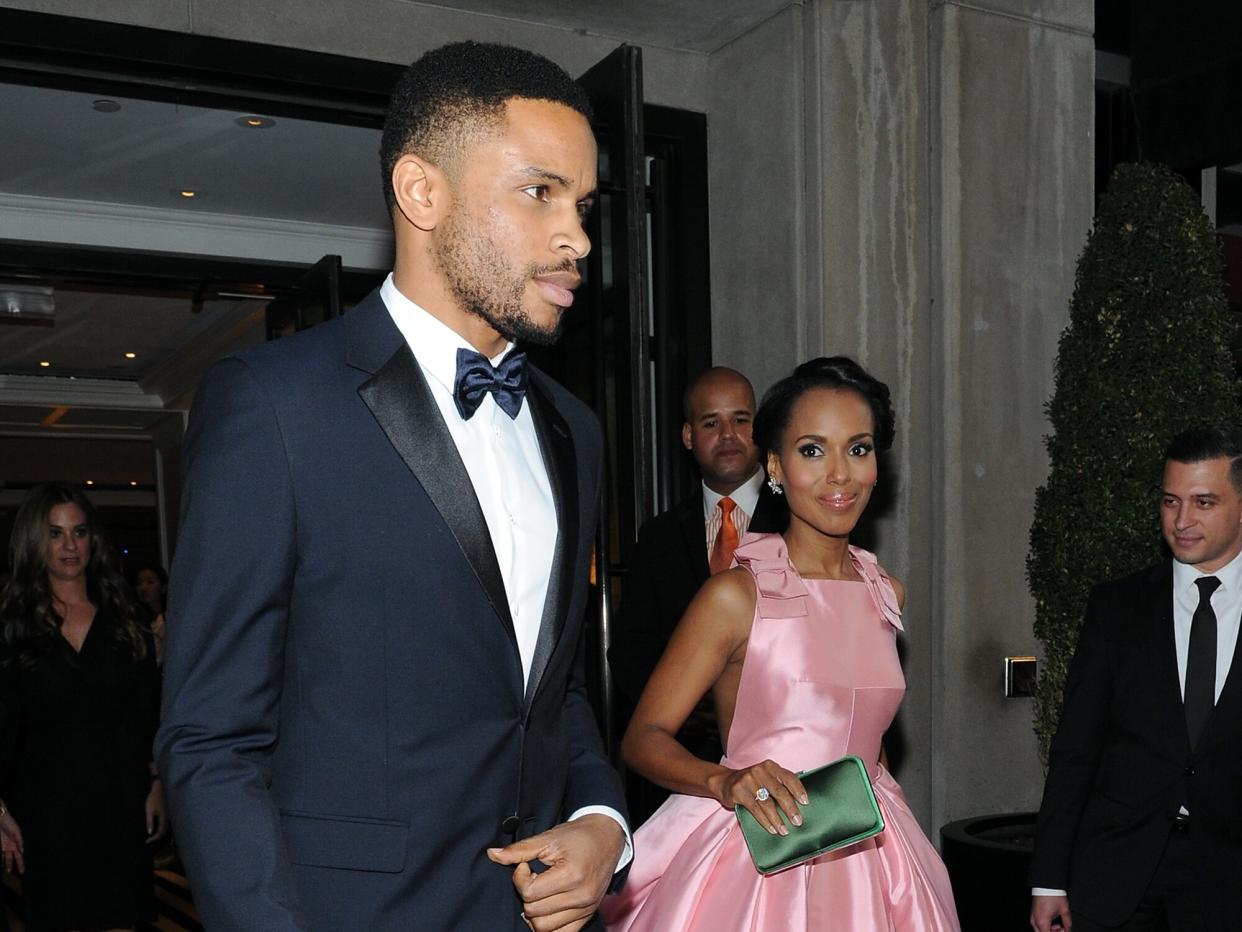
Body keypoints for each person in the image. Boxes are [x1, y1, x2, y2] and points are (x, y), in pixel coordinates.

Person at [155, 41, 628, 932]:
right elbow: (211, 741)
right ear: (422, 193)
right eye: (540, 193)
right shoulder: (275, 406)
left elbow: (553, 688)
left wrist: (602, 823)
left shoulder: (575, 429)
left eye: (584, 204)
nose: (578, 238)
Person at [602, 357, 959, 930]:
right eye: (812, 451)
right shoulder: (735, 597)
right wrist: (724, 780)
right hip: (759, 856)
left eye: (859, 449)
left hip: (877, 856)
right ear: (775, 464)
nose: (839, 475)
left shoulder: (884, 591)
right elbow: (642, 739)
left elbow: (867, 737)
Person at [1029, 425, 1242, 932]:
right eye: (1170, 501)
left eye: (1203, 502)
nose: (1182, 521)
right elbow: (1076, 748)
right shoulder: (1117, 607)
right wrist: (1049, 880)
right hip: (1116, 872)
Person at [609, 366, 786, 823]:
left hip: (783, 772)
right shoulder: (658, 537)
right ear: (689, 436)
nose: (728, 435)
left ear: (761, 431)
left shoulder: (797, 526)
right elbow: (630, 650)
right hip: (678, 775)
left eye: (741, 420)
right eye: (711, 422)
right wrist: (691, 710)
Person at [0, 483, 165, 931]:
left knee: (123, 918)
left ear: (93, 539)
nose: (69, 546)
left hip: (119, 803)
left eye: (79, 532)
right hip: (47, 810)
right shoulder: (13, 624)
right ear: (35, 543)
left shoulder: (125, 617)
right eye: (55, 534)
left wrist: (155, 781)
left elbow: (146, 711)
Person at [131, 564, 167, 665]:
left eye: (150, 582)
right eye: (139, 583)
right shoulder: (135, 619)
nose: (143, 588)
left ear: (163, 587)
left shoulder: (170, 618)